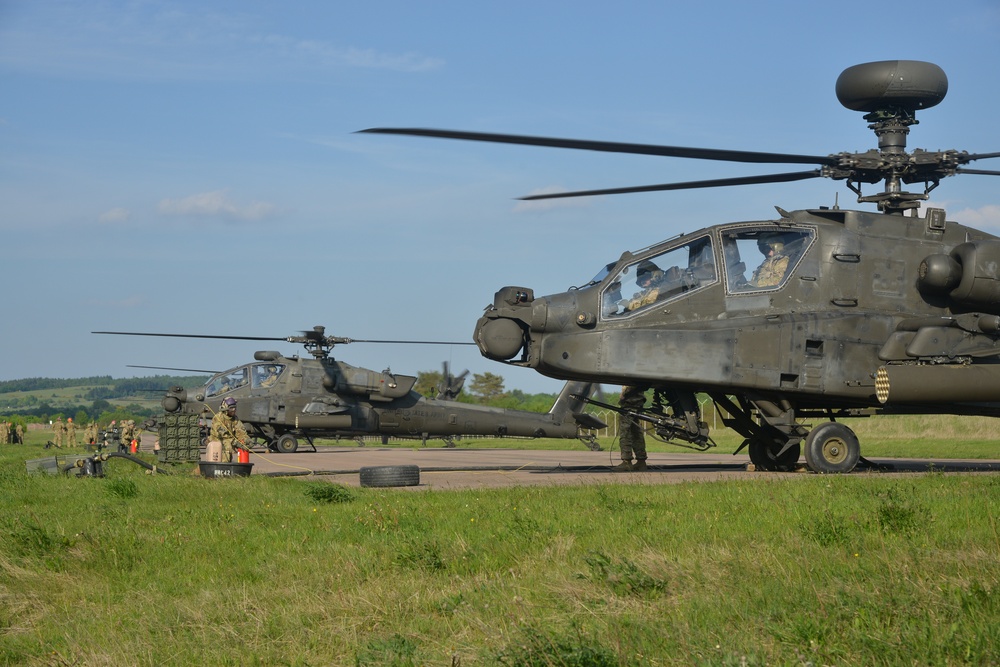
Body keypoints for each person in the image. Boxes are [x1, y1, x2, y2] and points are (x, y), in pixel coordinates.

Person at [613, 385, 648, 471]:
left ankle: (626, 461)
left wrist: (623, 395)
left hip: (629, 403)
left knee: (625, 432)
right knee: (636, 432)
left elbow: (627, 388)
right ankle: (641, 461)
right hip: (637, 403)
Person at [209, 397, 250, 463]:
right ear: (225, 408)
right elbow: (222, 434)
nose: (233, 410)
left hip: (229, 441)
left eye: (235, 408)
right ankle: (224, 466)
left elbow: (241, 431)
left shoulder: (234, 418)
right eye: (231, 408)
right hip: (217, 441)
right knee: (227, 445)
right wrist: (235, 442)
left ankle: (228, 465)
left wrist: (246, 440)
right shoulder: (218, 417)